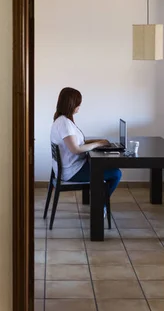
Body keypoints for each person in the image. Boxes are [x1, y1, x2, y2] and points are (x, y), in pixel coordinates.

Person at [49, 87, 122, 216]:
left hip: (71, 167)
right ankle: (101, 205)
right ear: (71, 104)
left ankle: (99, 202)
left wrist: (99, 141)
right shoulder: (64, 124)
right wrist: (97, 144)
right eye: (78, 103)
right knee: (116, 173)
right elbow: (76, 149)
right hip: (72, 172)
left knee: (108, 168)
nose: (79, 106)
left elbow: (78, 143)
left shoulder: (62, 120)